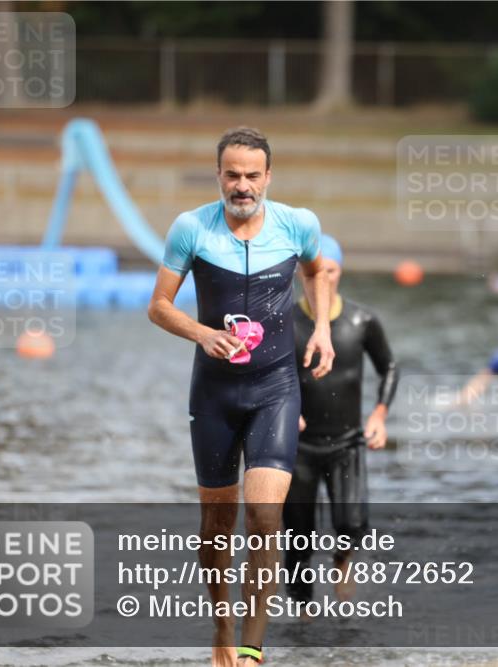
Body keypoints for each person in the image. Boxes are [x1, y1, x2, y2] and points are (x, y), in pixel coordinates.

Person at [147, 127, 335, 667]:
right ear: (219, 175)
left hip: (276, 388)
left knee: (265, 517)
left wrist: (322, 327)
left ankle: (252, 648)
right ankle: (221, 628)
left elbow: (316, 271)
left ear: (268, 177)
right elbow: (159, 306)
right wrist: (201, 333)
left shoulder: (298, 224)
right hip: (214, 394)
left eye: (253, 175)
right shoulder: (191, 228)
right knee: (216, 526)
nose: (242, 185)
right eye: (232, 175)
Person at [283, 234, 399, 607]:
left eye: (329, 271)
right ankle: (302, 612)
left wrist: (379, 414)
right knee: (297, 536)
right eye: (313, 272)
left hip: (347, 442)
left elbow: (389, 367)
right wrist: (283, 409)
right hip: (297, 445)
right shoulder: (285, 321)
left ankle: (342, 560)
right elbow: (268, 375)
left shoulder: (362, 320)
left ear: (340, 272)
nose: (322, 278)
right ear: (300, 273)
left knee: (351, 524)